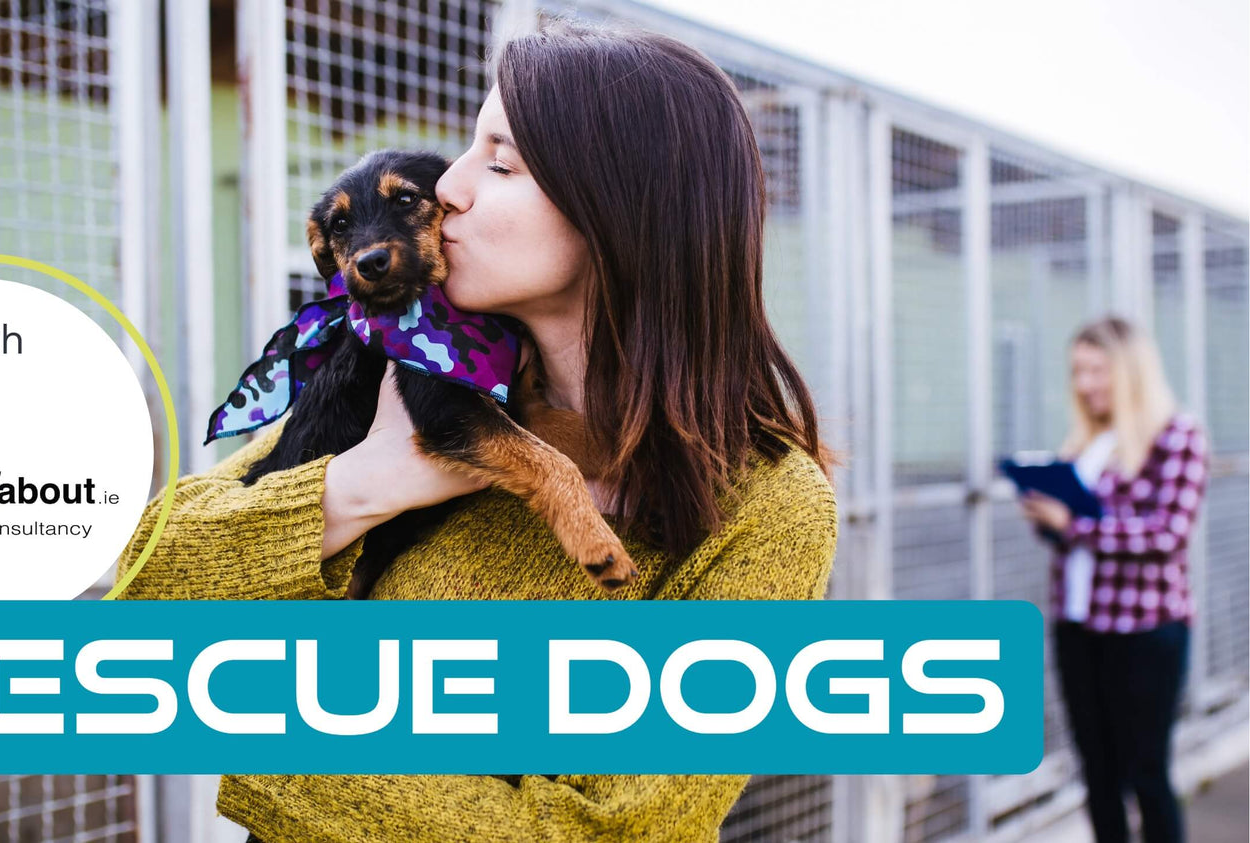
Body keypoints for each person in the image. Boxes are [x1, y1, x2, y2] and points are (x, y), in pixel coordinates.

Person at [118, 19, 838, 843]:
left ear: (621, 206)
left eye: (499, 163)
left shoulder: (768, 503)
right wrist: (365, 483)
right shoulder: (402, 372)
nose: (449, 186)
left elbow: (618, 829)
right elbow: (144, 583)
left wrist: (277, 733)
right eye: (466, 150)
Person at [1019, 316, 1206, 843]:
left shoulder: (1177, 436)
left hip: (1145, 630)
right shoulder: (1085, 441)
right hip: (1079, 627)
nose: (1084, 384)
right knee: (1096, 775)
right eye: (1078, 371)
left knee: (1146, 774)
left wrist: (1072, 524)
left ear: (1130, 372)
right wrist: (1047, 516)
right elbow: (1071, 541)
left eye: (1097, 370)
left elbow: (1168, 534)